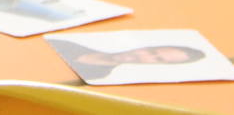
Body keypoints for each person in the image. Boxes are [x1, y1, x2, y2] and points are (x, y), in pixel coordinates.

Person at [46, 39, 206, 80]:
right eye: (151, 51)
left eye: (156, 58)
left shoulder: (97, 77)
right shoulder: (67, 44)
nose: (143, 55)